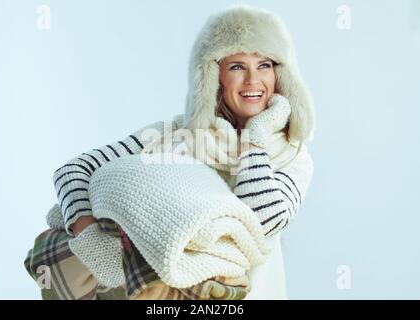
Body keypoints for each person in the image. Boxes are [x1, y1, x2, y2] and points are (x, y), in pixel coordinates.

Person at [48, 5, 315, 299]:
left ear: (280, 76)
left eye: (264, 65)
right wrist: (91, 241)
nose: (253, 80)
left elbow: (260, 224)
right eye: (237, 66)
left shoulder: (292, 157)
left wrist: (255, 136)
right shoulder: (173, 134)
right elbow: (73, 171)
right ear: (214, 76)